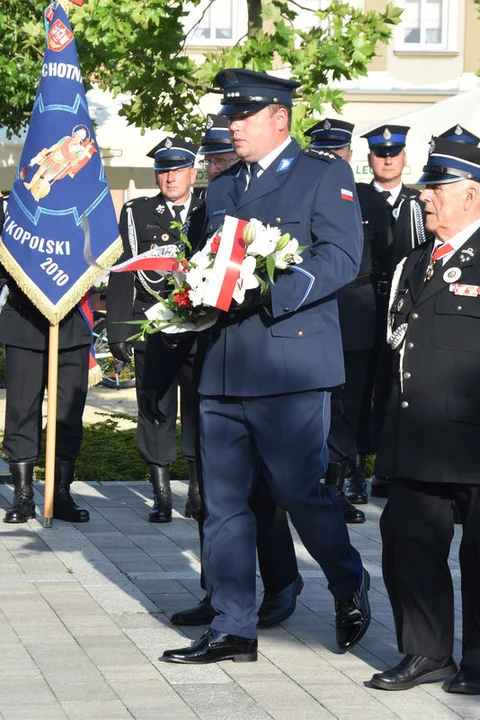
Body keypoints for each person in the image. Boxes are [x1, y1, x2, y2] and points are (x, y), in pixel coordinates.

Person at [161, 69, 370, 665]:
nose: (233, 126)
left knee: (299, 491)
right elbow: (208, 260)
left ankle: (348, 580)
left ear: (279, 119)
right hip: (227, 364)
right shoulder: (223, 188)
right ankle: (233, 625)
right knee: (222, 502)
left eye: (243, 117)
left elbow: (341, 258)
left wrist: (270, 289)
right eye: (230, 116)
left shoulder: (322, 175)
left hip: (290, 363)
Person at [371, 137, 480, 694]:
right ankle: (426, 652)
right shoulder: (414, 264)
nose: (426, 198)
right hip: (419, 438)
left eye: (436, 188)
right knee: (408, 546)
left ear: (472, 195)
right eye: (427, 188)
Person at [169, 113, 305, 632]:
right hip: (214, 358)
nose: (217, 166)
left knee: (264, 489)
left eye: (222, 157)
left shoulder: (271, 203)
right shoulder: (209, 205)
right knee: (215, 491)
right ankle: (220, 593)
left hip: (264, 364)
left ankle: (282, 583)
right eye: (212, 159)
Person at [0, 196, 92, 525]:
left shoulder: (83, 203)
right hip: (24, 322)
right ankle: (23, 495)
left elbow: (101, 254)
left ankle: (60, 492)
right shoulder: (9, 206)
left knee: (68, 414)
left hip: (70, 322)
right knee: (21, 411)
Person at [108, 138, 202, 523]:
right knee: (155, 410)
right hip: (154, 325)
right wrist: (118, 329)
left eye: (177, 169)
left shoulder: (210, 208)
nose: (170, 177)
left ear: (193, 173)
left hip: (200, 326)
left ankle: (198, 492)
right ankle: (161, 495)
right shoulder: (137, 211)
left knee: (201, 410)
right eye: (163, 170)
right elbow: (123, 272)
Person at [306, 118, 383, 523]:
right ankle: (312, 481)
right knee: (316, 403)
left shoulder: (370, 200)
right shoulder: (301, 195)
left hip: (357, 312)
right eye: (324, 153)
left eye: (339, 152)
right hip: (314, 310)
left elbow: (387, 259)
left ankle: (339, 484)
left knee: (351, 405)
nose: (333, 159)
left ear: (350, 155)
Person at [359, 124, 425, 500]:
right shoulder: (354, 198)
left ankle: (389, 465)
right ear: (370, 160)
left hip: (405, 308)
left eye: (394, 154)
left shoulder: (419, 202)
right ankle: (354, 467)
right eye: (381, 154)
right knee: (358, 391)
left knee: (398, 388)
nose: (387, 159)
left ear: (404, 158)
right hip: (364, 305)